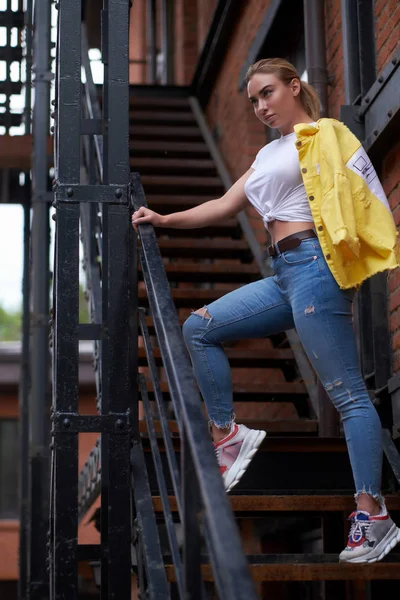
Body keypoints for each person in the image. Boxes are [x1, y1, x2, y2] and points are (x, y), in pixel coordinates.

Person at [131, 58, 400, 563]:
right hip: (284, 275)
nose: (260, 107)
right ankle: (228, 433)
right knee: (199, 327)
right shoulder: (267, 153)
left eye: (268, 93)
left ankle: (373, 514)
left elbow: (361, 197)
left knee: (348, 398)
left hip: (316, 268)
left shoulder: (325, 134)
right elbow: (224, 203)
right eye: (254, 100)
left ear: (294, 86)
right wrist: (163, 218)